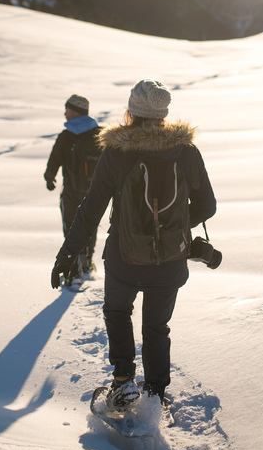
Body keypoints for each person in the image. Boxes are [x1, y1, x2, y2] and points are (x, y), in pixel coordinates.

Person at [52, 79, 216, 409]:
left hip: (124, 259)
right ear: (163, 113)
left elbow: (91, 208)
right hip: (170, 262)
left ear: (131, 111)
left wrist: (67, 253)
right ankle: (155, 393)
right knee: (157, 326)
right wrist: (175, 227)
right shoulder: (186, 151)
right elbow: (207, 205)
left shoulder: (117, 152)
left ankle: (124, 382)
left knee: (116, 312)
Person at [44, 94, 102, 284]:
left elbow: (55, 159)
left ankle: (74, 266)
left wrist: (49, 177)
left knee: (70, 227)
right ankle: (86, 263)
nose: (65, 113)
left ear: (75, 111)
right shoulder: (98, 134)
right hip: (95, 192)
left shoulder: (67, 136)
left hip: (71, 191)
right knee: (90, 226)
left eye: (67, 109)